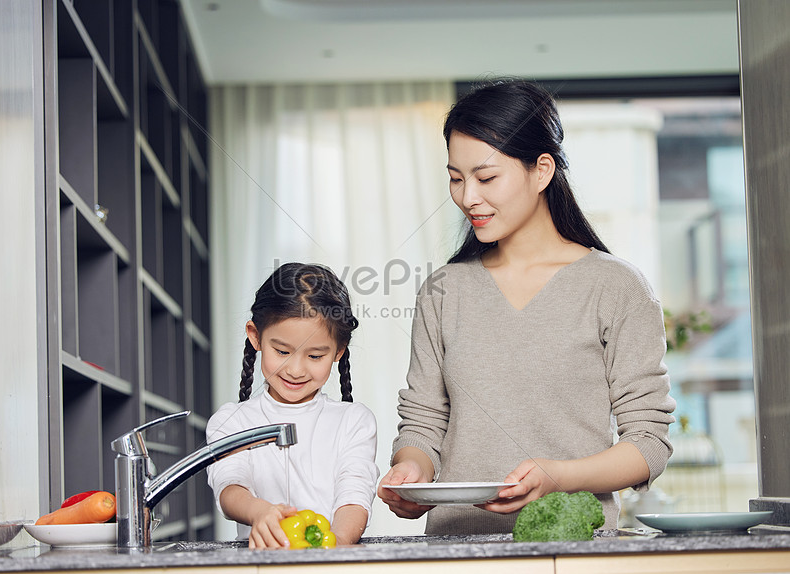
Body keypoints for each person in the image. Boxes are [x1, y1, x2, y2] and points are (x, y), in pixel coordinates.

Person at [377, 79, 676, 535]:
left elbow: (648, 443)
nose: (468, 197)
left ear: (541, 171)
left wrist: (560, 476)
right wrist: (412, 472)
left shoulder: (616, 287)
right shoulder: (443, 291)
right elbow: (423, 423)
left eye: (486, 177)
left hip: (576, 550)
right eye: (456, 179)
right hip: (456, 552)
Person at [206, 262, 379, 548]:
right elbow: (229, 485)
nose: (296, 370)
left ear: (338, 351)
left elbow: (354, 495)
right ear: (255, 335)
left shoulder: (354, 421)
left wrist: (336, 546)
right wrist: (260, 512)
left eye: (315, 356)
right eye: (282, 351)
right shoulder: (231, 421)